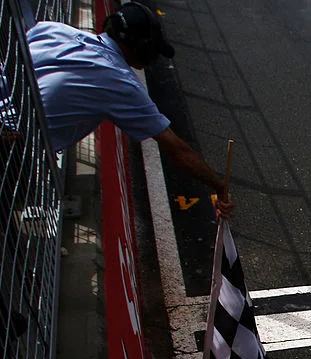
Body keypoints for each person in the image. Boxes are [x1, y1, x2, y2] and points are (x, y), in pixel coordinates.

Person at [26, 2, 233, 216]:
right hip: (15, 151)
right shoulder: (118, 81)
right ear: (139, 45)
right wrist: (219, 187)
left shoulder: (53, 29)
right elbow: (175, 149)